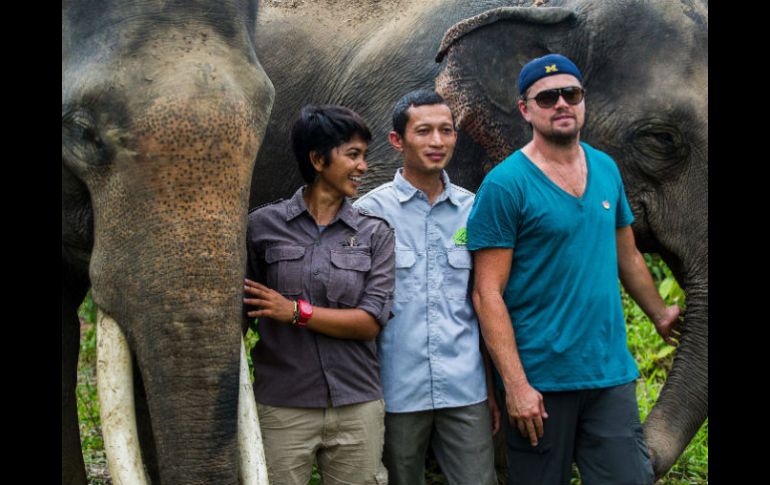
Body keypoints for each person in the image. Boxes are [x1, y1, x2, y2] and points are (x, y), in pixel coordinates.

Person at [467, 54, 682, 485]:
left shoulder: (605, 168)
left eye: (571, 94)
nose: (561, 103)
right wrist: (516, 385)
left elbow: (628, 255)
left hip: (608, 373)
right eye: (547, 97)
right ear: (525, 109)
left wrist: (660, 314)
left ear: (584, 102)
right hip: (541, 381)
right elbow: (486, 293)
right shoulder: (505, 185)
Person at [243, 104, 395, 485]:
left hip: (357, 405)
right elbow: (239, 314)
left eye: (364, 155)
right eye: (353, 155)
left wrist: (295, 311)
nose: (363, 167)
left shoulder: (375, 233)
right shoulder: (262, 227)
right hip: (282, 404)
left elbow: (369, 322)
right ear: (317, 159)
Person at [354, 89, 498, 485]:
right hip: (395, 389)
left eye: (446, 131)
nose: (437, 142)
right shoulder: (368, 214)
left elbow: (484, 302)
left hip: (464, 387)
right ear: (397, 140)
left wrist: (490, 385)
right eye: (424, 131)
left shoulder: (475, 209)